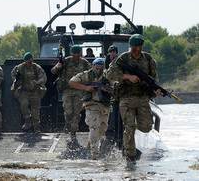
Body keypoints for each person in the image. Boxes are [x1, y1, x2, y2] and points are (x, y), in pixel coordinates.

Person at [106, 34, 162, 165]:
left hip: (143, 98)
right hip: (126, 98)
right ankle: (130, 158)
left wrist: (156, 89)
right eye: (135, 47)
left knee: (147, 127)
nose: (137, 49)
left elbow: (154, 78)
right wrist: (126, 76)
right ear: (130, 46)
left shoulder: (148, 59)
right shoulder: (123, 58)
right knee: (129, 128)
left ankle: (132, 126)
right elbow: (109, 74)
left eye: (140, 46)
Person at [69, 58, 112, 159]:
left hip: (104, 105)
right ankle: (95, 153)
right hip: (91, 103)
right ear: (92, 67)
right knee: (94, 126)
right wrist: (85, 88)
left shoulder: (108, 75)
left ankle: (91, 142)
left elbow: (116, 87)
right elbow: (72, 82)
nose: (98, 70)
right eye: (96, 68)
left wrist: (108, 89)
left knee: (103, 128)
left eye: (101, 68)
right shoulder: (87, 74)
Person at [51, 45, 91, 142]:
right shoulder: (66, 61)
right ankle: (68, 123)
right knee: (68, 111)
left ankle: (73, 132)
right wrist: (58, 67)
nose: (76, 55)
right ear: (72, 53)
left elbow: (90, 73)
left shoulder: (84, 63)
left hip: (79, 90)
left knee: (76, 112)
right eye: (74, 53)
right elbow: (53, 71)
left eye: (77, 53)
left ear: (80, 53)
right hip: (67, 90)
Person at [11, 52, 47, 134]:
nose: (28, 62)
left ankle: (36, 127)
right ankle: (27, 121)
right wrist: (16, 80)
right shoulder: (20, 67)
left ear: (32, 59)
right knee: (24, 103)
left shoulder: (36, 68)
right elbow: (13, 73)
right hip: (24, 90)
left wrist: (37, 82)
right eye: (26, 60)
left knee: (35, 111)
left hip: (35, 91)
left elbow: (43, 77)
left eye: (29, 60)